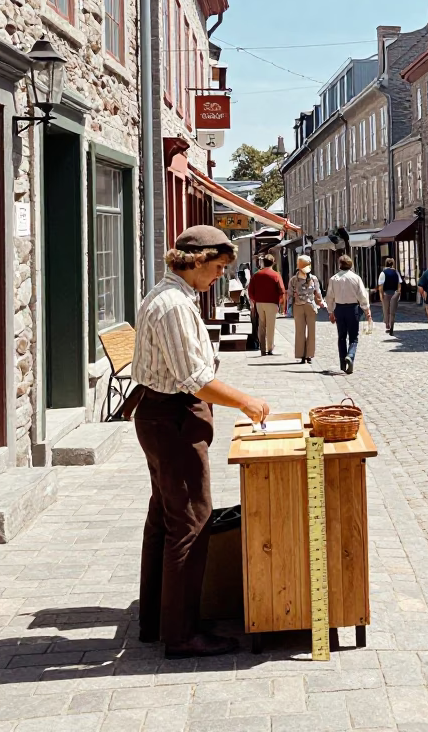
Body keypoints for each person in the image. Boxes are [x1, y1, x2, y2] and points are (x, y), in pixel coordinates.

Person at [129, 225, 270, 659]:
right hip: (171, 418)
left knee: (166, 519)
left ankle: (159, 619)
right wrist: (246, 401)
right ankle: (182, 633)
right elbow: (195, 380)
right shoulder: (172, 304)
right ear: (195, 260)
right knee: (191, 521)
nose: (220, 276)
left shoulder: (176, 297)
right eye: (218, 267)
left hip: (165, 416)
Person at [326, 254, 372, 374]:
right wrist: (367, 310)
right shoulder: (356, 278)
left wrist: (330, 312)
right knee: (353, 337)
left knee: (341, 336)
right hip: (352, 308)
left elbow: (329, 297)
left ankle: (342, 362)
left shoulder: (334, 279)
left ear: (340, 265)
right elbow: (362, 295)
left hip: (339, 309)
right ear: (351, 265)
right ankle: (350, 355)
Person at [246, 254, 285, 356]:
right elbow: (281, 290)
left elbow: (250, 290)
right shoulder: (276, 275)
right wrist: (280, 303)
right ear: (273, 263)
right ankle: (270, 348)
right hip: (272, 303)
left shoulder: (256, 274)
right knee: (270, 326)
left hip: (259, 303)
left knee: (261, 325)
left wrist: (254, 301)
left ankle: (262, 348)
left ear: (263, 262)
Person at [288, 255, 323, 363]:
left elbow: (290, 294)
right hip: (310, 306)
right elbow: (318, 293)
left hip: (298, 306)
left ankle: (301, 355)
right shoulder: (314, 278)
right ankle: (309, 355)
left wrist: (288, 307)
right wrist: (321, 302)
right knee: (311, 331)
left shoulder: (293, 279)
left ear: (298, 266)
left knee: (299, 331)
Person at [377, 256, 402, 335]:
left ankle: (387, 324)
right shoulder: (396, 272)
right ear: (393, 264)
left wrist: (381, 295)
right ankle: (392, 326)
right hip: (394, 293)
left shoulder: (383, 273)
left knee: (386, 310)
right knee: (392, 312)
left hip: (386, 293)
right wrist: (398, 293)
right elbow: (399, 284)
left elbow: (381, 286)